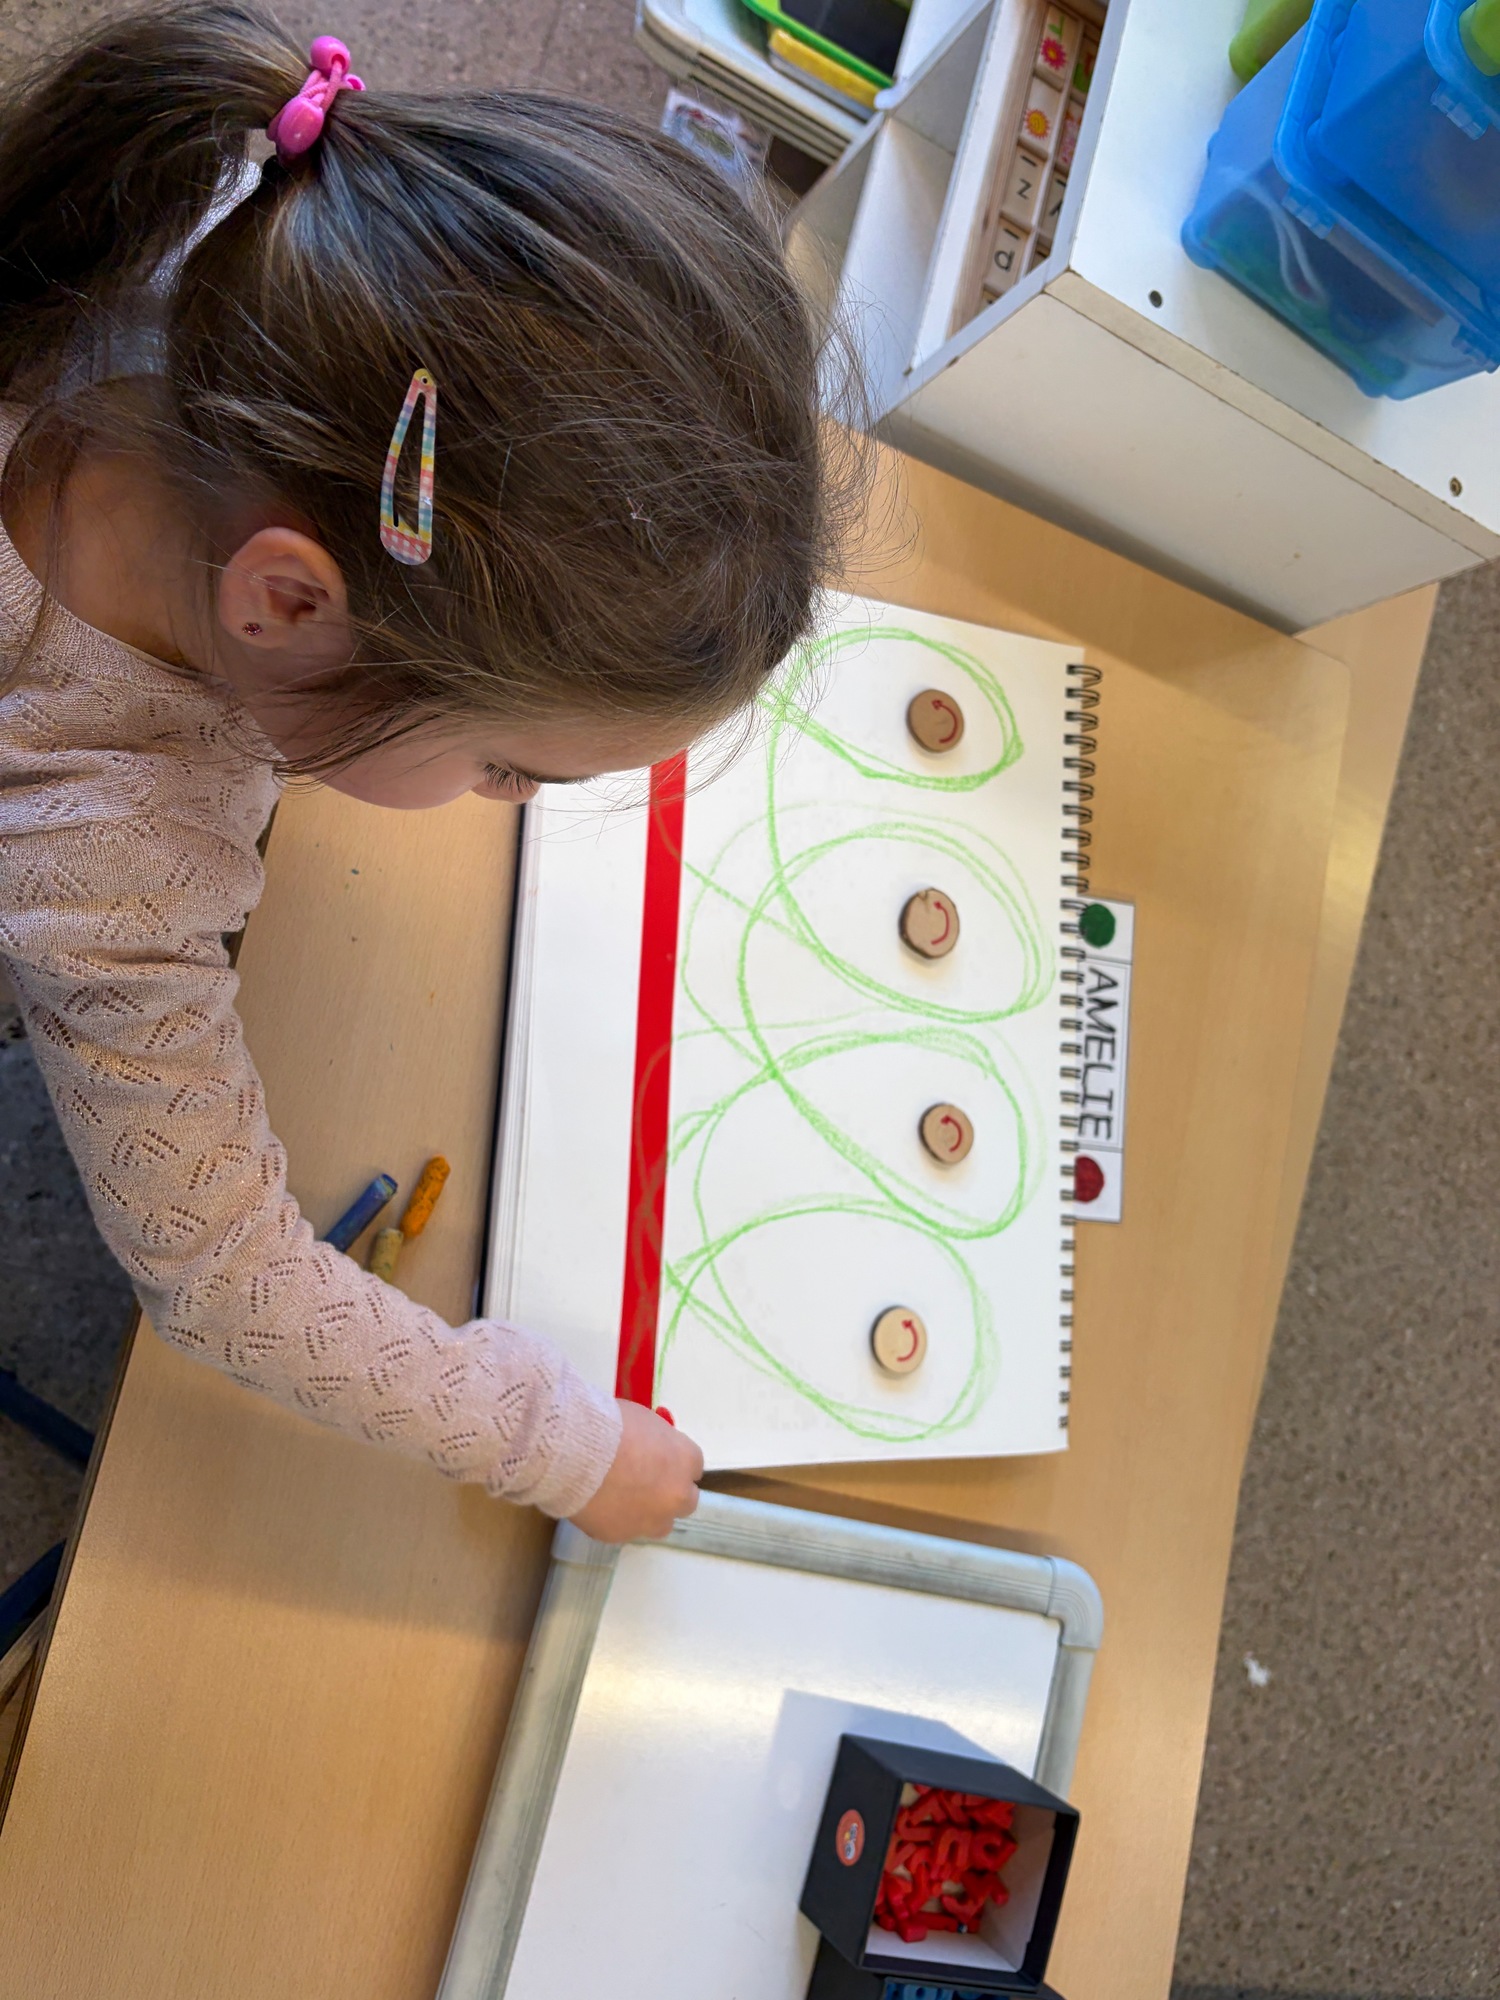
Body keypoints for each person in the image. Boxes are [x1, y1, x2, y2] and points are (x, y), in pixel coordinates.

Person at [0, 3, 855, 1541]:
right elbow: (225, 1276)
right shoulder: (107, 848)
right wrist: (567, 1449)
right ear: (285, 607)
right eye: (508, 763)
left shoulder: (249, 227)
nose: (509, 803)